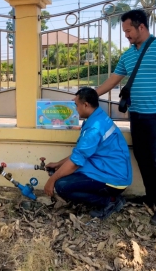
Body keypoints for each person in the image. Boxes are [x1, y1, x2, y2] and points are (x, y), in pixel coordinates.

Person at [96, 9, 156, 227]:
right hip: (137, 115)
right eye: (124, 31)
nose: (126, 35)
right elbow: (113, 80)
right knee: (142, 157)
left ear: (141, 26)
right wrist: (90, 94)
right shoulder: (128, 55)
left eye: (128, 30)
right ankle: (152, 196)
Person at [44, 87, 132, 220]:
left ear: (85, 105)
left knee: (61, 185)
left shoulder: (94, 129)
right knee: (64, 174)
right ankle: (110, 198)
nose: (75, 109)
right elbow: (80, 153)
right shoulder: (96, 117)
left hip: (113, 178)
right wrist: (58, 164)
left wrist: (52, 180)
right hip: (107, 169)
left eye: (76, 105)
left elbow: (75, 162)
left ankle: (110, 201)